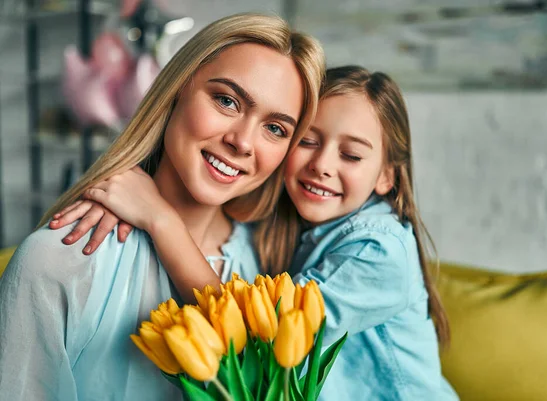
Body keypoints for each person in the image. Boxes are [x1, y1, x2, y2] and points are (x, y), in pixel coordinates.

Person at [51, 66, 458, 400]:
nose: (322, 165)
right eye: (307, 141)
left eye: (350, 155)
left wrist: (160, 219)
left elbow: (259, 337)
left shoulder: (379, 251)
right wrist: (120, 196)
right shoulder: (284, 229)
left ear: (387, 176)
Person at [0, 13, 325, 401]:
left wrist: (162, 220)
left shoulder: (276, 272)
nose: (243, 142)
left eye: (275, 128)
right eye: (226, 101)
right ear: (176, 91)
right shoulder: (60, 259)